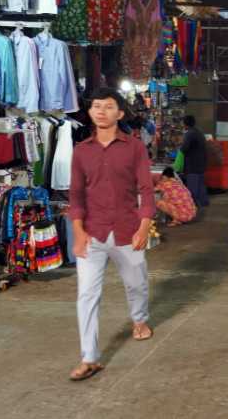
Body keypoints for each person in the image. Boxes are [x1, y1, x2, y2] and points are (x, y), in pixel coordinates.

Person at [68, 87, 155, 382]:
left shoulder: (134, 148)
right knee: (87, 295)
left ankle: (140, 319)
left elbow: (146, 189)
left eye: (108, 106)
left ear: (119, 113)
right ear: (90, 112)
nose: (101, 111)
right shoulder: (81, 151)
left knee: (137, 284)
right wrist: (78, 232)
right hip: (92, 234)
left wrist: (144, 227)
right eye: (96, 106)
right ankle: (89, 357)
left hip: (127, 231)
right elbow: (76, 196)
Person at [180, 115, 209, 208]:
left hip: (192, 165)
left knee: (193, 188)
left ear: (185, 124)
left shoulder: (189, 134)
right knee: (200, 186)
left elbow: (184, 148)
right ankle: (203, 203)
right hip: (201, 164)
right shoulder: (199, 132)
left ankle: (193, 206)